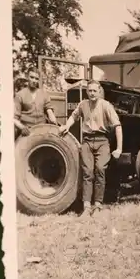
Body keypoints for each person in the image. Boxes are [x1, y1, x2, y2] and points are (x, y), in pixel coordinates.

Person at [59, 80, 123, 216]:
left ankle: (98, 206)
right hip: (87, 141)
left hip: (102, 141)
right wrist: (66, 126)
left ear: (99, 91)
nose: (92, 93)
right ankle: (86, 206)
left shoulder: (106, 106)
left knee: (100, 170)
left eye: (95, 91)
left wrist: (119, 148)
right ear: (87, 92)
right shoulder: (83, 104)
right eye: (90, 91)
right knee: (87, 172)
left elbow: (117, 126)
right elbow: (73, 116)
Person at [14, 67, 58, 137]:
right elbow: (14, 118)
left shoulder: (44, 94)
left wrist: (53, 119)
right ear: (27, 77)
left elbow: (49, 110)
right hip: (27, 131)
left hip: (42, 130)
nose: (34, 80)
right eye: (32, 77)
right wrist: (22, 127)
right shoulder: (20, 95)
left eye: (36, 79)